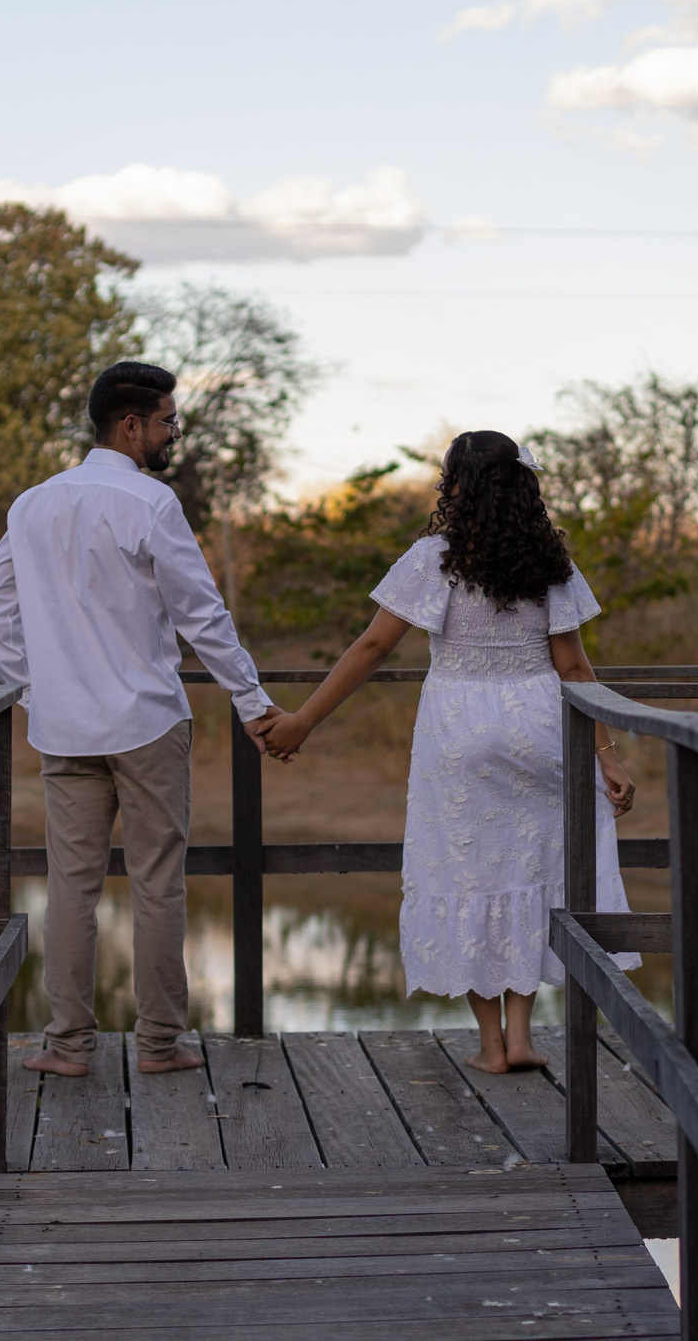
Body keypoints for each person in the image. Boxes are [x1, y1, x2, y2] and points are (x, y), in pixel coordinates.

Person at [259, 430, 639, 1074]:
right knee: (532, 871)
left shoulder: (434, 557)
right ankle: (522, 1038)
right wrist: (609, 755)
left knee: (468, 875)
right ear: (523, 485)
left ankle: (491, 1046)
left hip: (460, 727)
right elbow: (574, 667)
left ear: (456, 485)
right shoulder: (550, 561)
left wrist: (304, 720)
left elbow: (373, 649)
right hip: (540, 726)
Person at [0, 360, 281, 1079]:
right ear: (131, 425)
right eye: (169, 421)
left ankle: (67, 1045)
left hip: (64, 729)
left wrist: (30, 687)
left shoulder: (33, 504)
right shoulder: (151, 503)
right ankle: (156, 1045)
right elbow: (200, 613)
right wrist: (252, 700)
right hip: (146, 723)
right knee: (156, 884)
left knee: (71, 887)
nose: (175, 433)